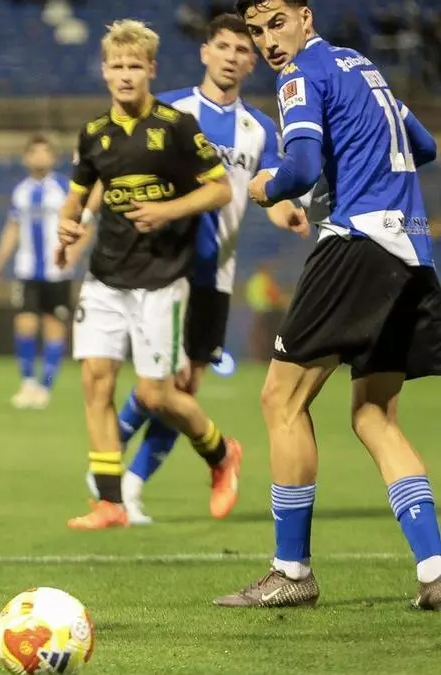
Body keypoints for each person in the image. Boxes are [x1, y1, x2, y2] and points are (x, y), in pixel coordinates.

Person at [215, 0, 441, 610]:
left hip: (357, 246)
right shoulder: (363, 66)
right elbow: (422, 145)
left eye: (277, 23)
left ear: (305, 17)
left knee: (281, 400)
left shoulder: (300, 75)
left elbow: (300, 167)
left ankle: (291, 572)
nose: (268, 41)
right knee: (374, 415)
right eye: (256, 31)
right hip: (411, 252)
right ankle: (436, 570)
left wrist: (268, 186)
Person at [108, 13, 308, 523]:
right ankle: (107, 471)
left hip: (215, 276)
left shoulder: (259, 130)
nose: (232, 57)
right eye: (223, 47)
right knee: (156, 388)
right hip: (163, 269)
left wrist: (287, 211)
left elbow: (267, 191)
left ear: (251, 62)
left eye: (242, 50)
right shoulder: (170, 110)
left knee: (183, 392)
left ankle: (128, 486)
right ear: (205, 52)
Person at [56, 19, 242, 531]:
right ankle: (110, 503)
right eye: (116, 66)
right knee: (96, 383)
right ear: (104, 71)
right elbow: (78, 196)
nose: (125, 75)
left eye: (134, 66)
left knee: (157, 396)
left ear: (151, 69)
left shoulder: (177, 126)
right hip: (105, 278)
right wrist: (67, 228)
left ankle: (221, 452)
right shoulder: (94, 134)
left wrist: (167, 210)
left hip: (162, 280)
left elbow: (220, 189)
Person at [0, 134, 85, 409]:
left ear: (53, 157)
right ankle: (28, 382)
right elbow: (13, 228)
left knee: (54, 326)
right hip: (26, 270)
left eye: (45, 152)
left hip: (57, 271)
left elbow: (85, 223)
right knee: (25, 324)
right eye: (35, 152)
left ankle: (45, 387)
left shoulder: (64, 188)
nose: (40, 157)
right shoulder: (21, 191)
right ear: (26, 158)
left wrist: (74, 253)